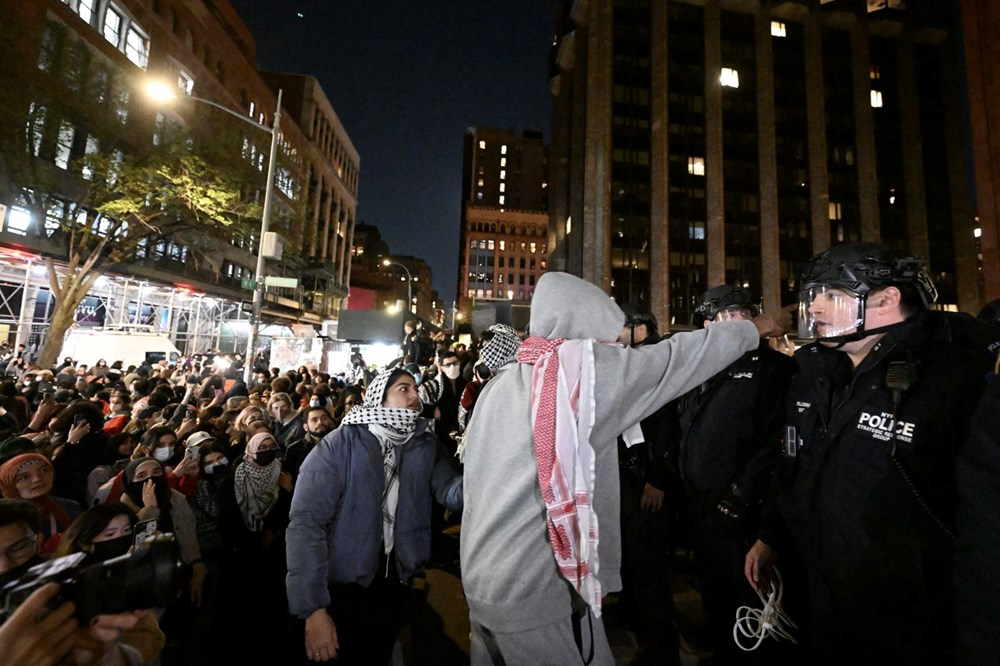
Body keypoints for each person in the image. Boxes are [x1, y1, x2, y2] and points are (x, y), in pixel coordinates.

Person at [460, 272, 785, 664]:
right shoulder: (582, 379)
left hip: (483, 579)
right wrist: (757, 326)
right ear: (587, 326)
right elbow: (676, 359)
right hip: (535, 586)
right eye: (609, 336)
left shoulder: (506, 381)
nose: (616, 347)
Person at [744, 242, 999, 664]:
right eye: (815, 296)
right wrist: (770, 535)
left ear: (886, 299)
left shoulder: (955, 379)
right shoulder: (813, 374)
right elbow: (793, 463)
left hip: (912, 620)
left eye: (832, 295)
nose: (818, 308)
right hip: (823, 596)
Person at [286, 367, 464, 664]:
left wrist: (490, 474)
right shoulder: (341, 444)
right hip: (342, 589)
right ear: (380, 397)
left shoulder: (424, 444)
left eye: (414, 389)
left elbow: (451, 492)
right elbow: (307, 525)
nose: (414, 395)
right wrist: (314, 610)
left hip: (394, 581)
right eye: (403, 389)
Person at [678, 286, 798, 664]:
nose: (739, 320)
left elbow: (777, 445)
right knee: (716, 598)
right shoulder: (700, 368)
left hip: (744, 515)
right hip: (703, 512)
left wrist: (740, 498)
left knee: (753, 610)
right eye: (728, 315)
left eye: (744, 312)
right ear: (708, 322)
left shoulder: (774, 370)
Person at [614, 309, 685, 666]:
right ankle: (638, 623)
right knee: (632, 556)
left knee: (648, 563)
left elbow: (668, 426)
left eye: (623, 326)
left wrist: (658, 479)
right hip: (630, 477)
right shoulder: (633, 360)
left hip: (646, 478)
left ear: (641, 329)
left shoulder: (656, 362)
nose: (618, 333)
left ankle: (660, 641)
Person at [0, 453, 82, 554]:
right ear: (9, 484)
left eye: (44, 470)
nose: (37, 479)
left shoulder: (70, 507)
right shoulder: (6, 520)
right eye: (25, 477)